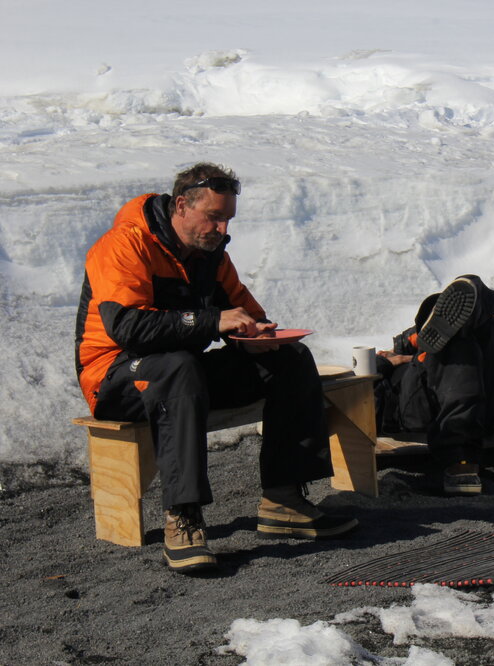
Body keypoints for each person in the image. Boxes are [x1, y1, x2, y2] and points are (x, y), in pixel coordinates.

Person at [75, 163, 358, 575]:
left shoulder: (211, 254)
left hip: (179, 373)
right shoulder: (124, 244)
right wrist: (209, 321)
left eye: (227, 219)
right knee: (178, 368)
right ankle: (183, 518)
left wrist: (260, 335)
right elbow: (128, 328)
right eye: (214, 217)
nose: (222, 228)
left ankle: (284, 500)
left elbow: (242, 310)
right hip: (113, 375)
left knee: (290, 360)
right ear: (181, 206)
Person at [373, 274, 494, 495]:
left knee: (478, 314)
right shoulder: (371, 381)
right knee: (459, 342)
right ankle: (459, 460)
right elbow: (354, 385)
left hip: (476, 404)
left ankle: (419, 336)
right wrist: (383, 363)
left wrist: (402, 357)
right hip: (409, 408)